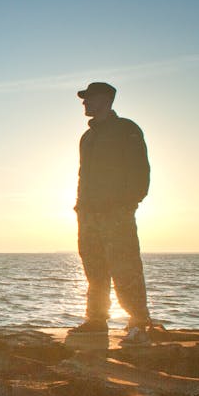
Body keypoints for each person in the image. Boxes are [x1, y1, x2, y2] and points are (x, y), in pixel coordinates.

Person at [68, 82, 153, 345]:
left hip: (116, 213)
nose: (84, 103)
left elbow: (140, 170)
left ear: (104, 99)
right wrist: (80, 206)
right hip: (88, 214)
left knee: (125, 266)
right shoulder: (88, 137)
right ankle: (96, 321)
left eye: (89, 98)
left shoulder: (126, 130)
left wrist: (127, 204)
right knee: (94, 268)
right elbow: (83, 175)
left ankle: (139, 323)